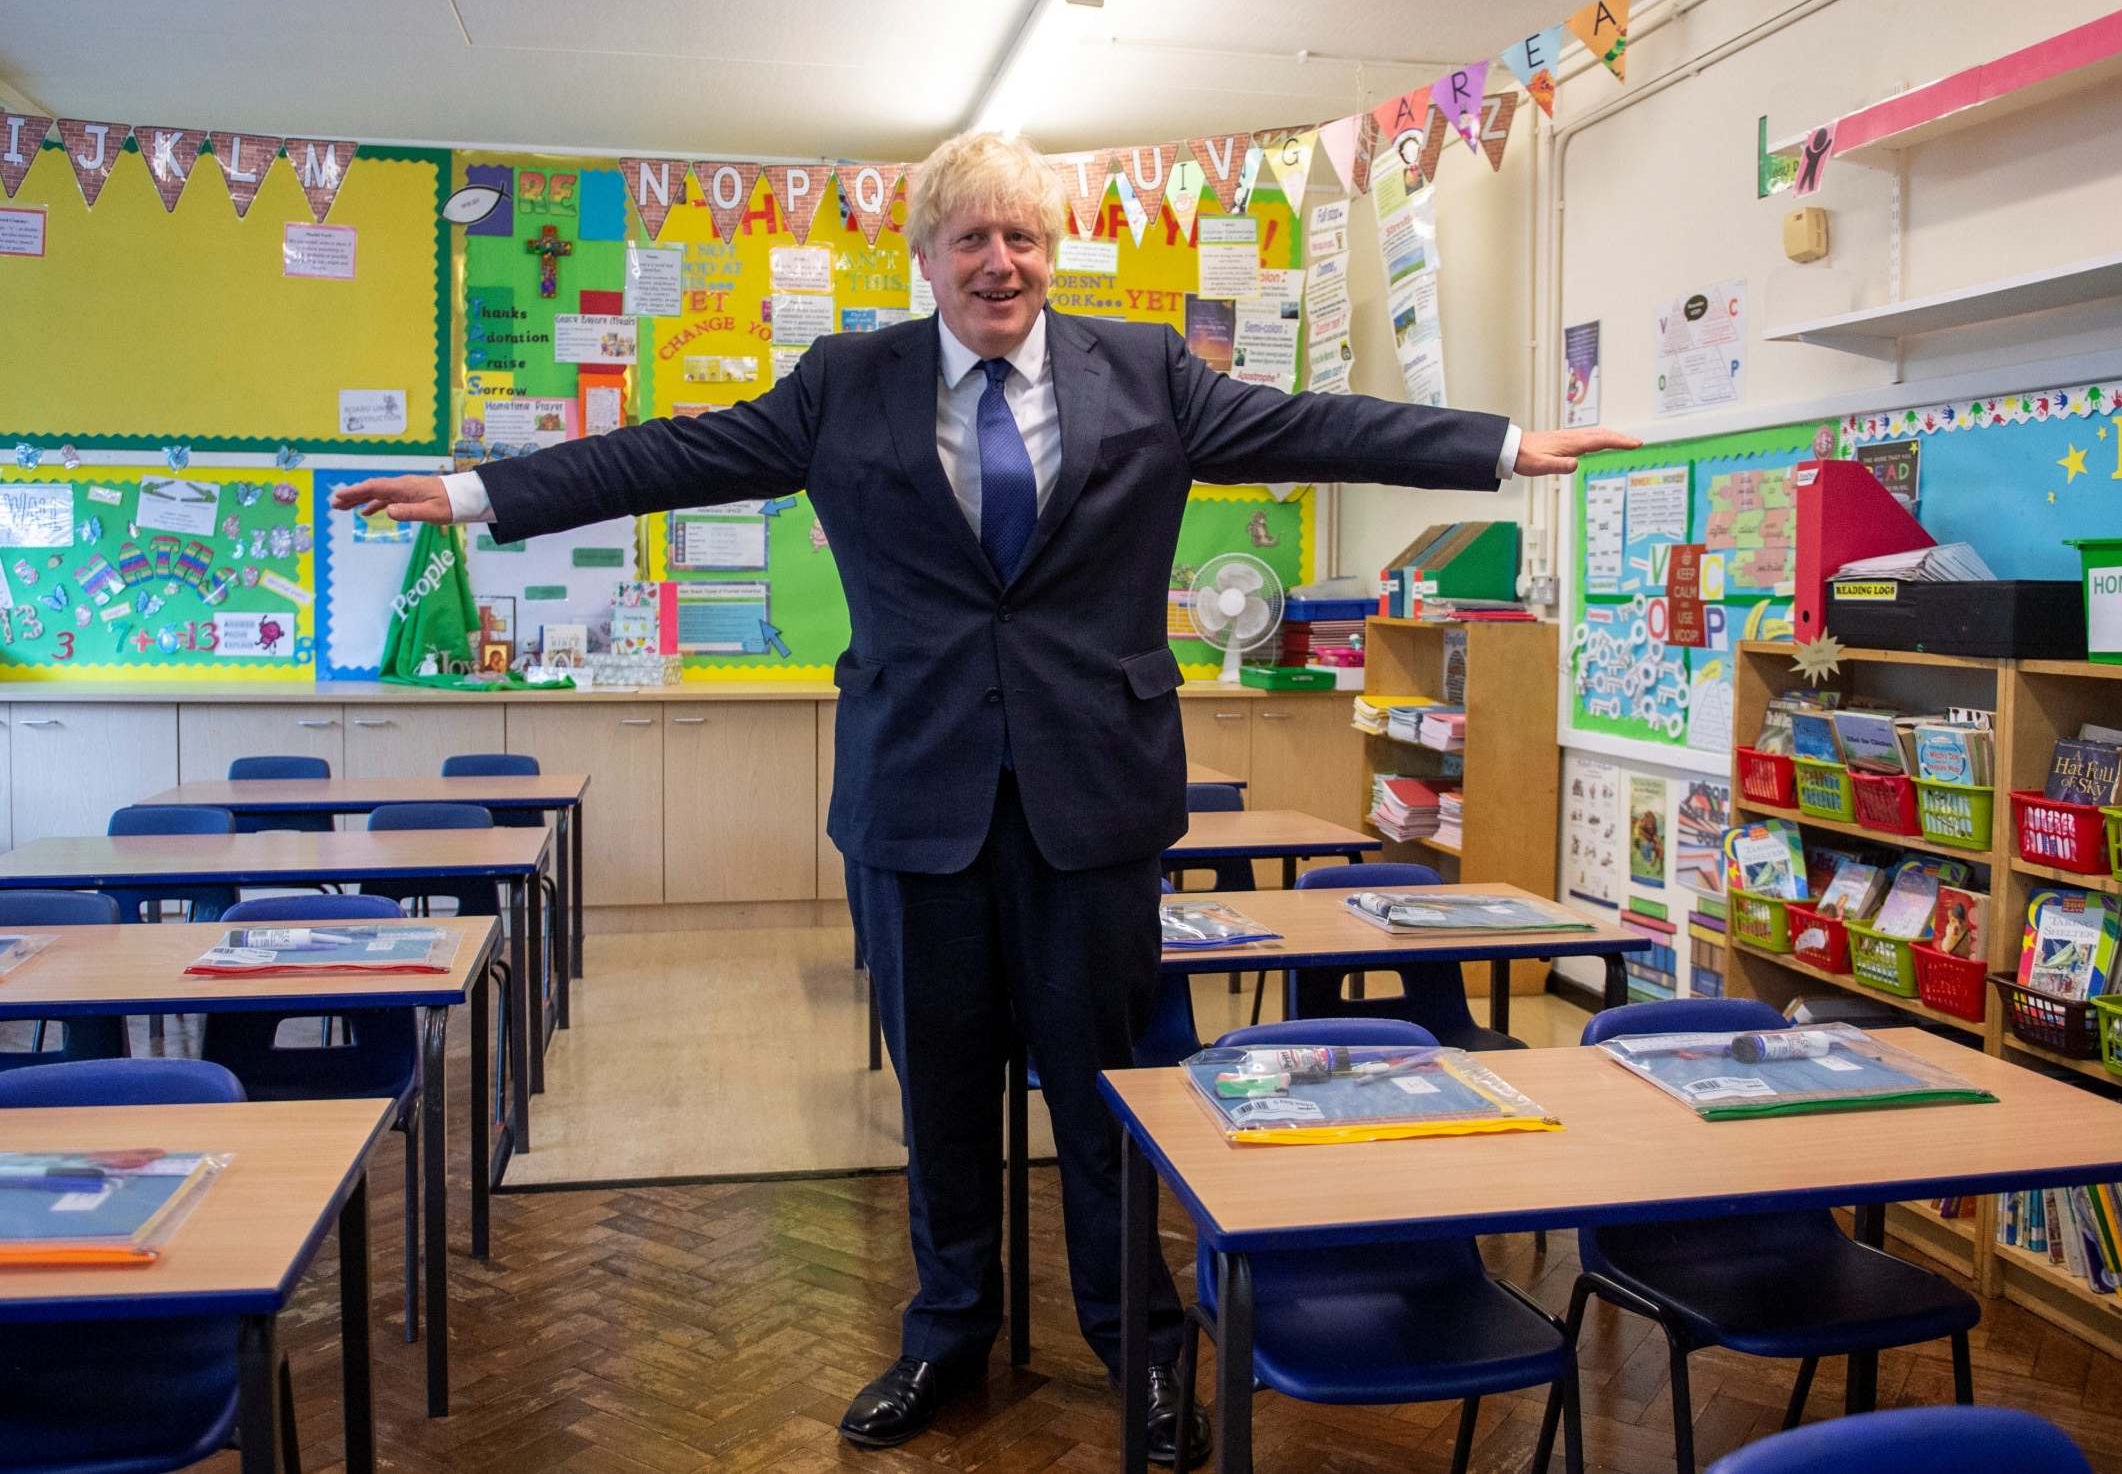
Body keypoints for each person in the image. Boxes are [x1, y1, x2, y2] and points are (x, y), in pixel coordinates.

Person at [333, 130, 1637, 1466]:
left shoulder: (1142, 370)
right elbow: (673, 455)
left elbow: (1319, 424)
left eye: (1022, 237)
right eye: (973, 239)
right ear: (928, 256)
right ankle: (945, 1336)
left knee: (1109, 1094)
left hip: (1096, 797)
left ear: (1048, 252)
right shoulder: (849, 382)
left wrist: (1504, 445)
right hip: (919, 796)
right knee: (944, 1093)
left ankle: (1143, 1349)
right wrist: (477, 492)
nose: (1000, 262)